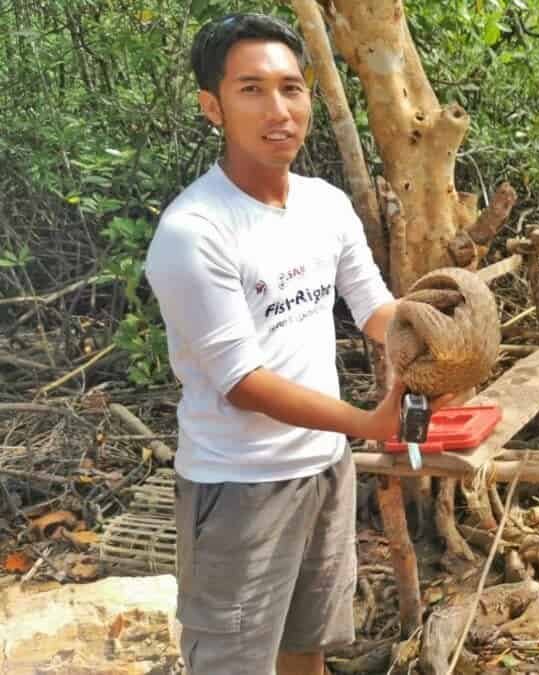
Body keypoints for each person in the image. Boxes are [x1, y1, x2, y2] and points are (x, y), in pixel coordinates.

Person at [145, 14, 409, 675]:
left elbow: (375, 309)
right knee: (232, 663)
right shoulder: (194, 230)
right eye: (251, 90)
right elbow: (243, 381)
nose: (278, 110)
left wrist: (439, 339)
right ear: (212, 106)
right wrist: (367, 423)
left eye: (291, 88)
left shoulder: (325, 204)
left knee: (304, 649)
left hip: (324, 469)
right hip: (240, 485)